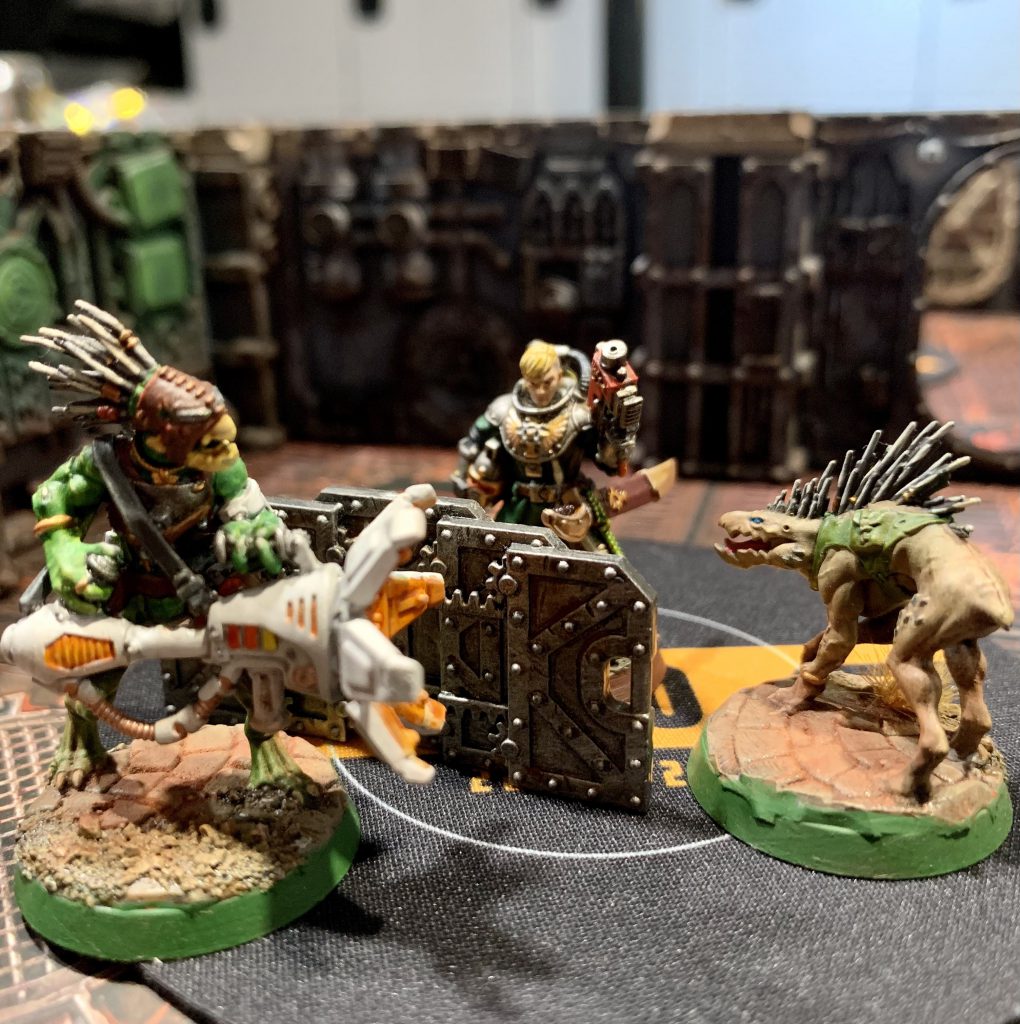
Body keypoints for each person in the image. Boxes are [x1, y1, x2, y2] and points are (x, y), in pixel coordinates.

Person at [23, 301, 297, 789]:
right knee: (94, 671)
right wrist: (64, 551)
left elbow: (250, 507)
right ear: (156, 430)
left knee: (257, 660)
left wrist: (250, 531)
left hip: (206, 583)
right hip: (131, 583)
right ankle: (81, 739)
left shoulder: (218, 463)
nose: (224, 437)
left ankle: (265, 746)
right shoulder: (106, 464)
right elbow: (53, 496)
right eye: (201, 429)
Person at [453, 338, 661, 553]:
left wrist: (616, 440)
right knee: (495, 555)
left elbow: (605, 462)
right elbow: (472, 443)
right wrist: (461, 477)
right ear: (524, 379)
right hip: (519, 507)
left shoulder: (577, 415)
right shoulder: (503, 409)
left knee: (594, 558)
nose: (540, 391)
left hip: (566, 508)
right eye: (533, 384)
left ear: (559, 375)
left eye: (547, 383)